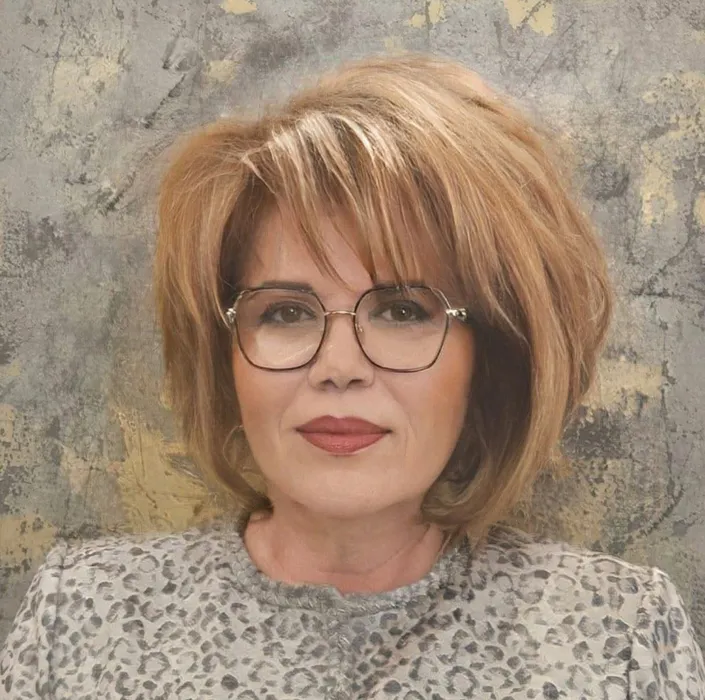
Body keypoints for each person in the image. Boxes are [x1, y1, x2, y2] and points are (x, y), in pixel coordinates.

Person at [1, 54, 703, 699]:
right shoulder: (83, 615)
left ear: (487, 356)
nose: (338, 368)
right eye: (285, 313)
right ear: (225, 356)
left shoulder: (622, 635)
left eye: (402, 310)